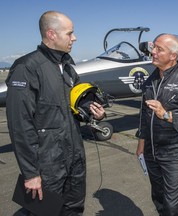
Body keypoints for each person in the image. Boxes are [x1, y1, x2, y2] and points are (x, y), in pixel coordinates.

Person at [6, 11, 105, 215]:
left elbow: (74, 105)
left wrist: (92, 111)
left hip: (75, 158)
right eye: (70, 33)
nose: (74, 38)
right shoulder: (27, 68)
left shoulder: (68, 68)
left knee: (74, 209)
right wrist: (31, 173)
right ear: (51, 34)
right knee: (44, 212)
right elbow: (20, 126)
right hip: (46, 164)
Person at [136, 34, 178, 216]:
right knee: (158, 198)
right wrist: (141, 143)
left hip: (173, 153)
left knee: (172, 206)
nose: (153, 52)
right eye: (154, 48)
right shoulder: (149, 81)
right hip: (151, 151)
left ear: (173, 55)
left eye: (159, 49)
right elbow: (144, 114)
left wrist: (166, 115)